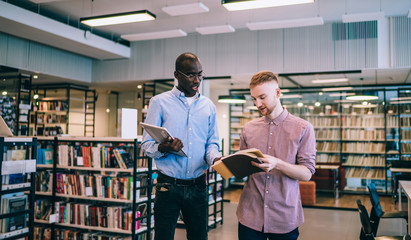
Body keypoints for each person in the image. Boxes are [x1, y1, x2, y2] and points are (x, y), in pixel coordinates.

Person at [141, 52, 222, 240]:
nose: (197, 80)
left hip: (198, 184)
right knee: (163, 236)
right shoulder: (159, 102)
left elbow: (212, 143)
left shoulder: (208, 106)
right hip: (168, 184)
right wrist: (164, 148)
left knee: (199, 237)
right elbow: (146, 144)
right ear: (177, 75)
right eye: (191, 74)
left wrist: (215, 158)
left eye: (200, 74)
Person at [236, 71, 316, 240]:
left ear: (278, 93)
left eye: (262, 97)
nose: (258, 103)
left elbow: (307, 173)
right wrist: (230, 165)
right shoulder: (248, 128)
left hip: (284, 217)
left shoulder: (303, 128)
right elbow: (242, 168)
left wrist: (278, 164)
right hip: (249, 215)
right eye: (254, 99)